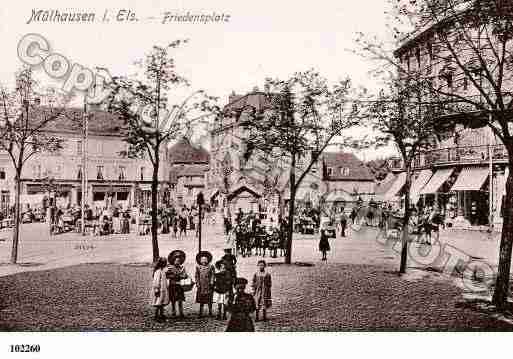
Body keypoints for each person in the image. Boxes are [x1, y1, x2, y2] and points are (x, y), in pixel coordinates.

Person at [166, 250, 189, 318]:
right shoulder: (170, 268)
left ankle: (181, 312)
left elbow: (185, 275)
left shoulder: (182, 268)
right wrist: (173, 276)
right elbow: (167, 276)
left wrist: (182, 276)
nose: (177, 262)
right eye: (176, 260)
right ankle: (173, 312)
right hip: (172, 285)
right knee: (173, 300)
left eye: (179, 261)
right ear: (173, 260)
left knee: (180, 299)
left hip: (180, 286)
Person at [195, 251, 215, 317]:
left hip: (208, 285)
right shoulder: (198, 267)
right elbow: (196, 276)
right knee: (201, 300)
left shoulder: (211, 266)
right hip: (201, 286)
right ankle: (201, 312)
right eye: (202, 260)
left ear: (208, 260)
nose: (204, 261)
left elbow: (212, 275)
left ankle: (210, 311)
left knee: (209, 299)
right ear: (200, 261)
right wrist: (197, 283)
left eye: (205, 260)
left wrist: (212, 282)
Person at [149, 257, 169, 321]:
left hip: (163, 289)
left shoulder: (162, 271)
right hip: (159, 289)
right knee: (158, 303)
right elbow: (156, 281)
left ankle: (161, 315)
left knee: (161, 303)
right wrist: (156, 289)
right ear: (162, 264)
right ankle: (156, 316)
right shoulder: (158, 271)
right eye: (165, 263)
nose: (166, 264)